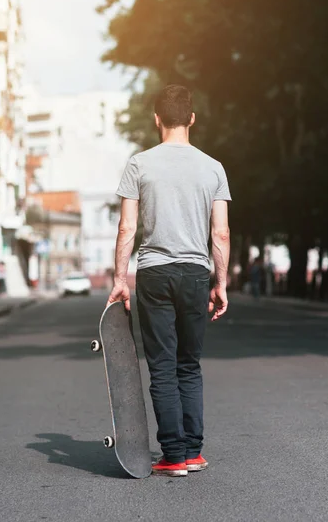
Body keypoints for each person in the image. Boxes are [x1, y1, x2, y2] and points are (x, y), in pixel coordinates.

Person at [106, 85, 231, 477]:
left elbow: (127, 226)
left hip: (155, 273)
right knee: (188, 364)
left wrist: (120, 279)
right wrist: (220, 283)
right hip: (196, 273)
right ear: (192, 119)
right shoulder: (213, 167)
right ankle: (192, 451)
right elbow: (221, 234)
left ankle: (173, 454)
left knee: (161, 366)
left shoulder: (139, 164)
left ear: (157, 118)